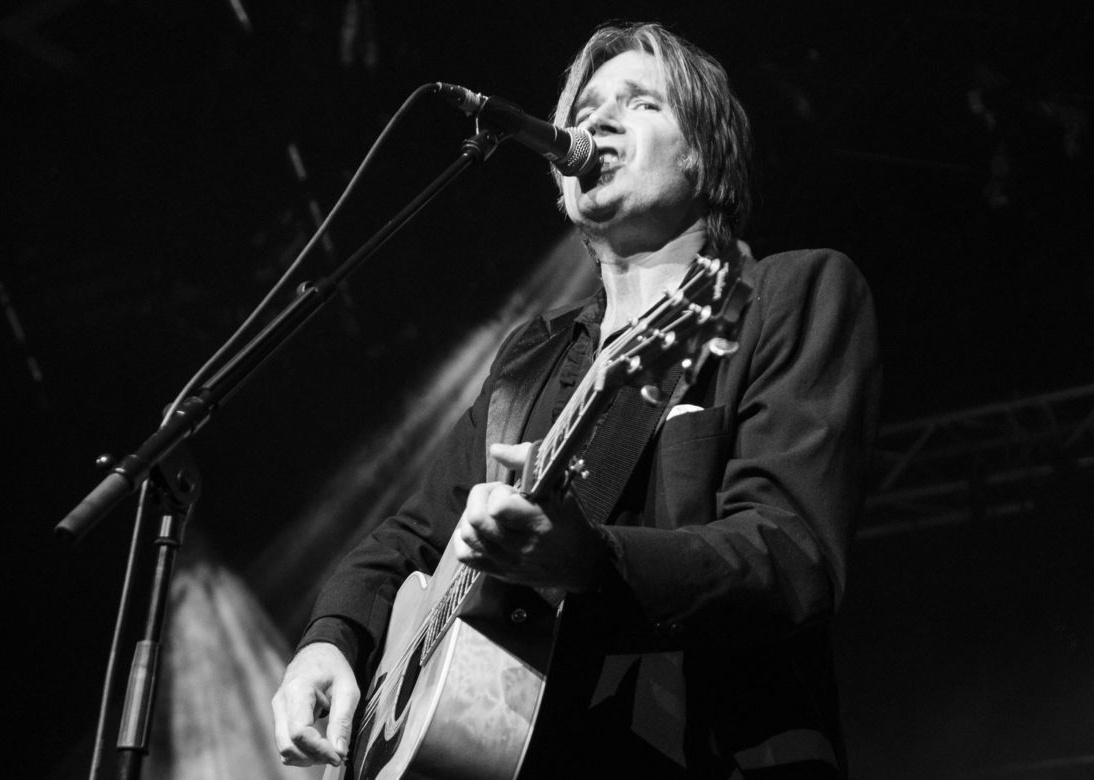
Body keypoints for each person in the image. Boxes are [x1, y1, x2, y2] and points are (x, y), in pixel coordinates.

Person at [273, 21, 880, 779]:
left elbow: (790, 556)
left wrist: (592, 563)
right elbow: (410, 539)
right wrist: (331, 640)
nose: (595, 121)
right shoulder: (533, 359)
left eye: (641, 103)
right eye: (586, 106)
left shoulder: (785, 294)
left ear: (705, 153)